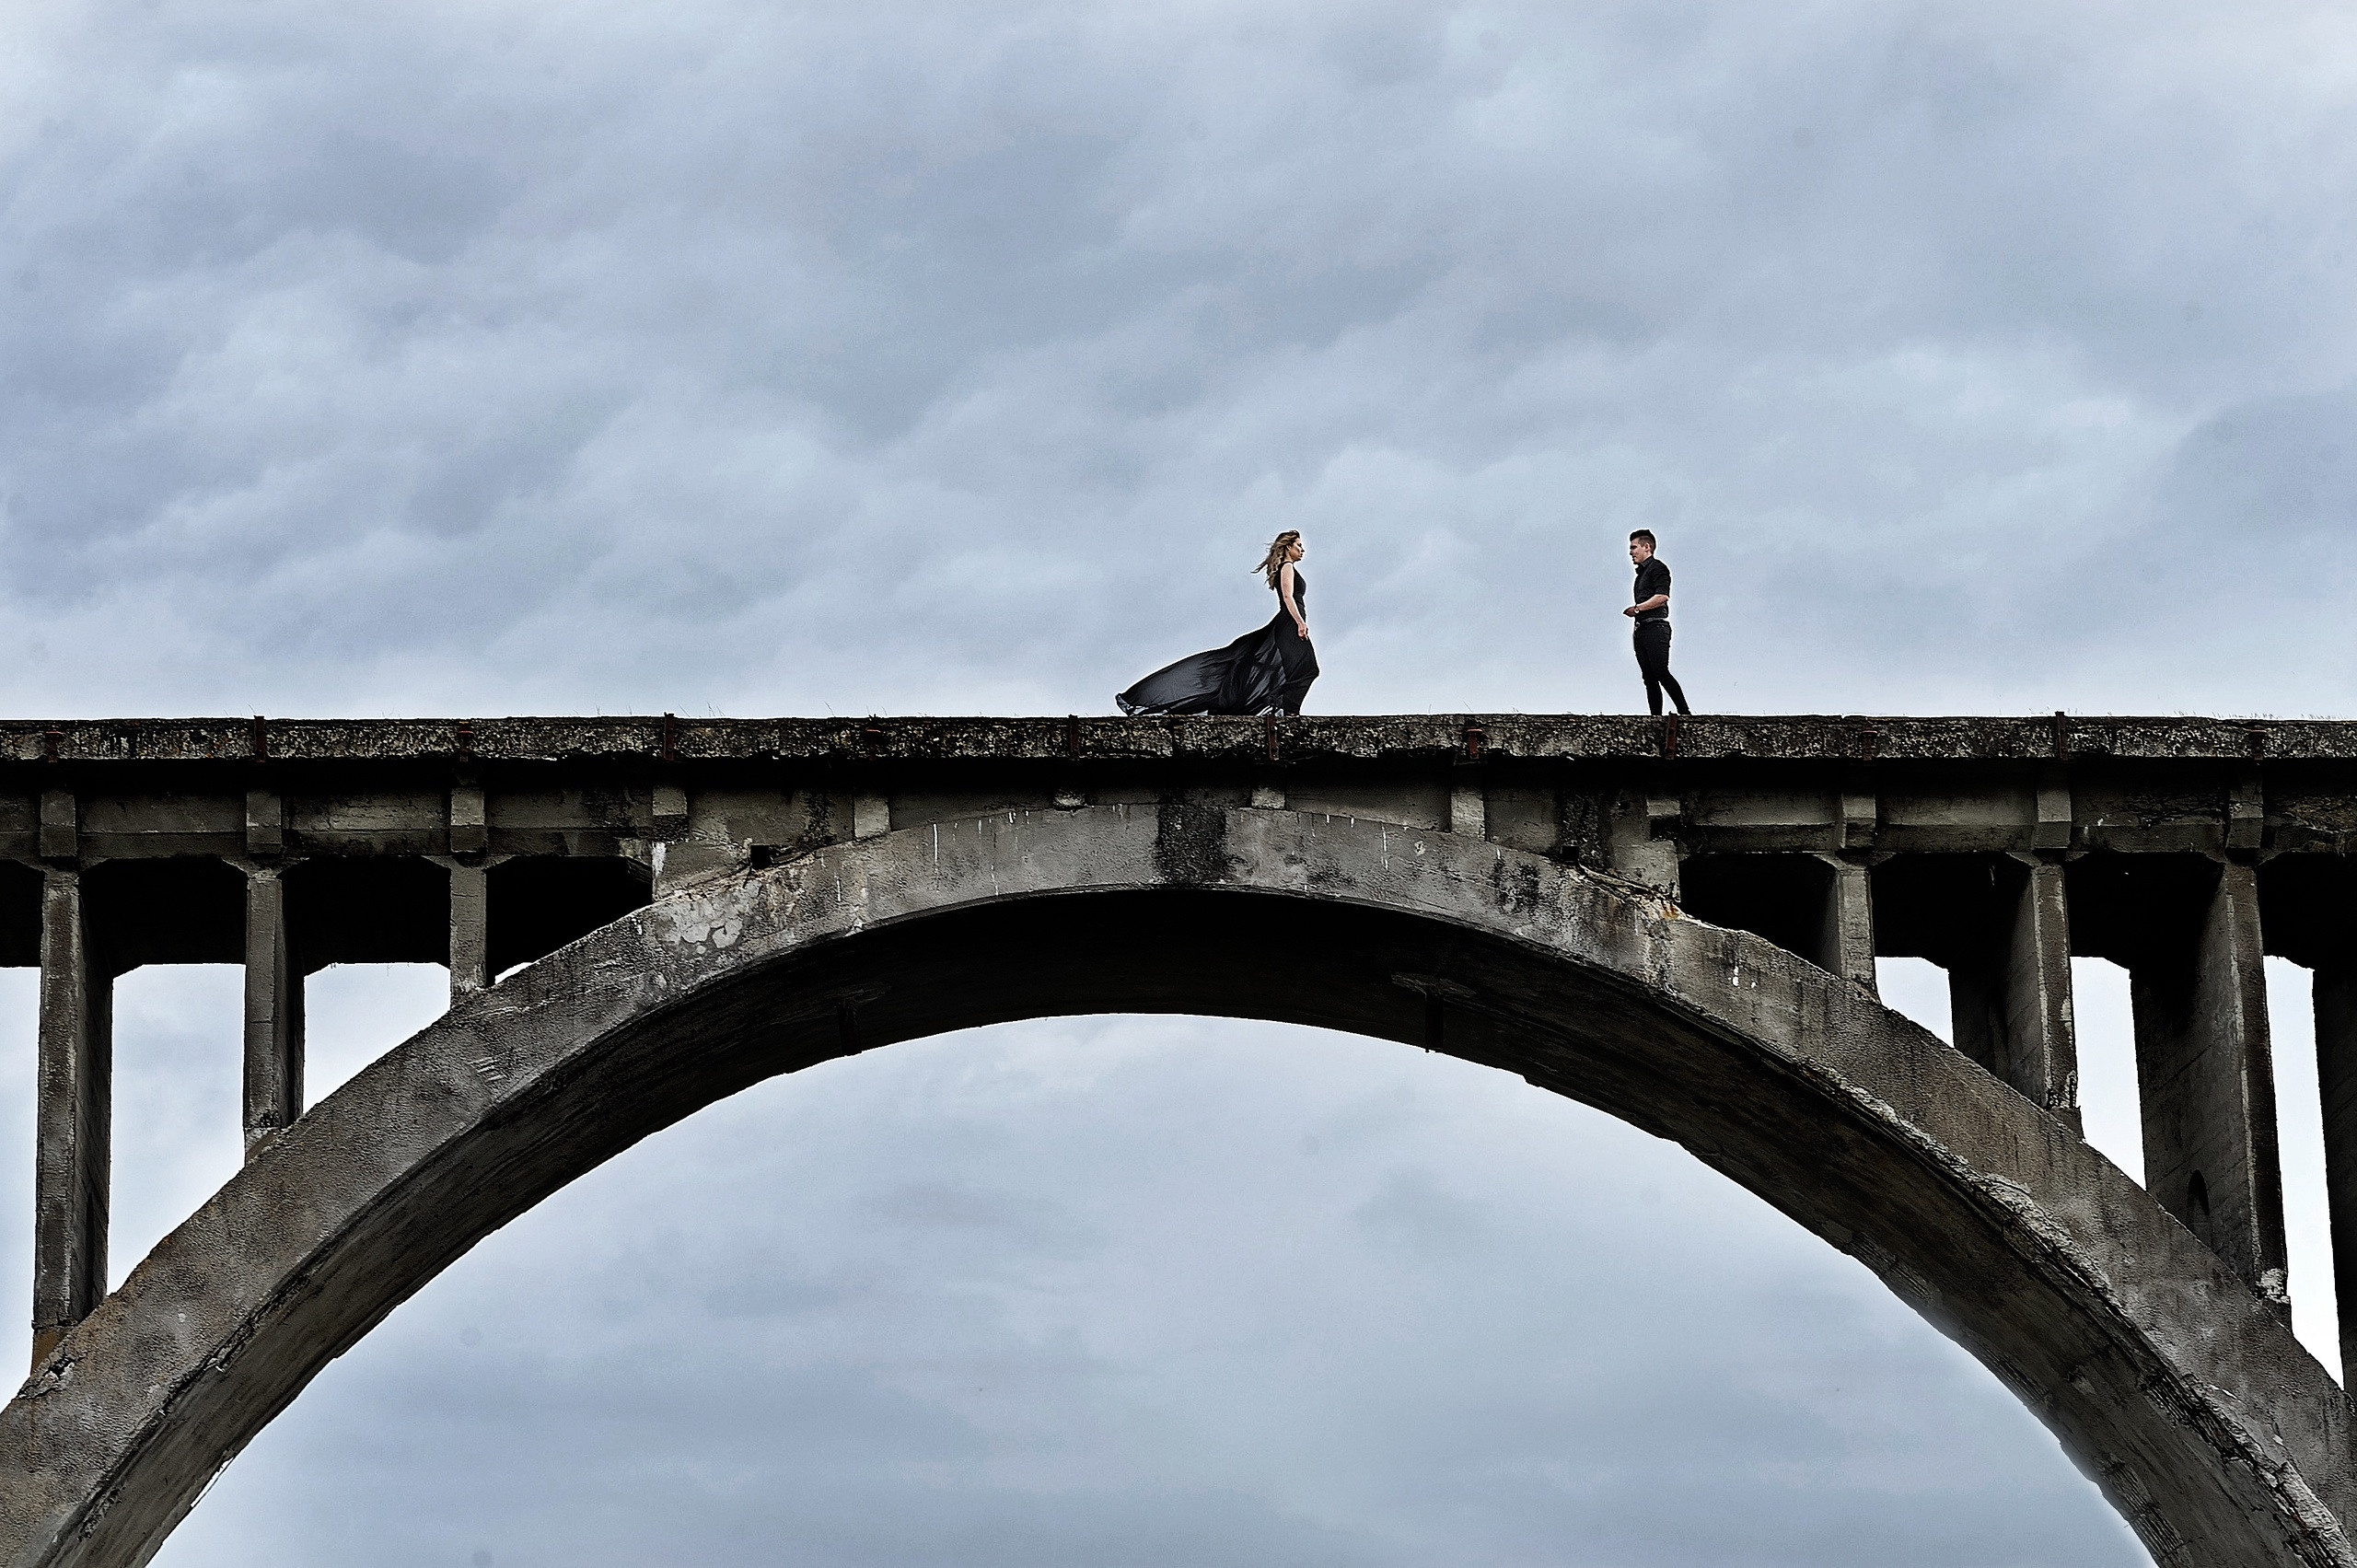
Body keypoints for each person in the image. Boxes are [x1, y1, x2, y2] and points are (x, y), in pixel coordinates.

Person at [1117, 532, 1319, 715]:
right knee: (1307, 668)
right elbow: (1287, 597)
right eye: (1299, 546)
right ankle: (1284, 711)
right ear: (1288, 547)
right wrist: (1300, 623)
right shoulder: (1287, 567)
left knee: (1292, 669)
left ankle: (1279, 708)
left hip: (1289, 624)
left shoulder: (1287, 568)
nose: (1302, 550)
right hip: (1290, 624)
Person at [1624, 529, 1691, 716]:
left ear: (1647, 547)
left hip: (1656, 626)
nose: (1631, 552)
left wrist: (1637, 609)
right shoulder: (1640, 576)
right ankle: (1655, 718)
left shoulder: (1658, 568)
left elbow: (1662, 596)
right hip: (1642, 629)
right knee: (1649, 677)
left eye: (1633, 547)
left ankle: (1685, 713)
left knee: (1661, 671)